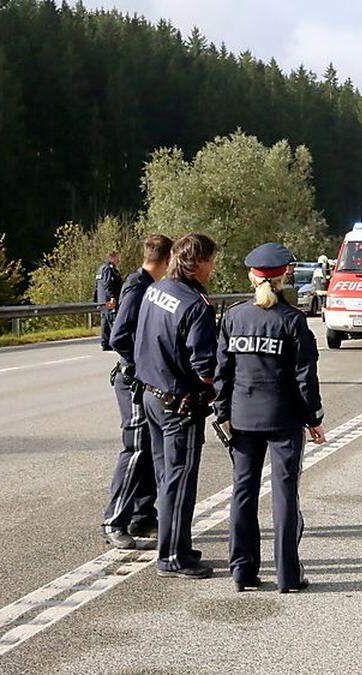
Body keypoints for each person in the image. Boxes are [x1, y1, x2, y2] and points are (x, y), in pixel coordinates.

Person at [215, 243, 326, 594]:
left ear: (251, 275)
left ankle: (242, 572)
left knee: (243, 493)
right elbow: (305, 377)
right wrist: (313, 418)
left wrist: (222, 412)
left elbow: (222, 372)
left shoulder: (233, 317)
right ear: (283, 277)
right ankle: (288, 577)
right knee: (284, 493)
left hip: (243, 418)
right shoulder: (293, 321)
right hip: (283, 419)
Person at [134, 232, 219, 580]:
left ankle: (177, 545)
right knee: (179, 482)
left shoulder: (156, 290)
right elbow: (205, 369)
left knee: (165, 477)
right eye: (212, 260)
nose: (213, 267)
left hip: (151, 396)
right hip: (178, 406)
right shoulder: (195, 305)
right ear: (197, 263)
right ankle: (172, 557)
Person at [102, 235, 172, 550]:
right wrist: (144, 365)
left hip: (144, 380)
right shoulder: (136, 285)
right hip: (132, 380)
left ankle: (142, 516)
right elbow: (119, 336)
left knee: (149, 446)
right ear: (168, 258)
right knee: (136, 448)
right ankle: (114, 521)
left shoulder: (151, 286)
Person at [95, 251, 124, 351]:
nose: (119, 260)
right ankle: (116, 343)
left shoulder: (101, 268)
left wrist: (98, 300)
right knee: (113, 321)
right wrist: (112, 297)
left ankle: (105, 343)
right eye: (117, 258)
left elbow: (97, 286)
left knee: (105, 322)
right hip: (109, 300)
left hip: (102, 299)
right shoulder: (108, 268)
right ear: (112, 258)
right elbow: (108, 284)